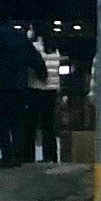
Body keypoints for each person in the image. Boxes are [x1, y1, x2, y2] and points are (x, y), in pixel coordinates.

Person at [0, 22, 45, 168]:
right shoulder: (20, 37)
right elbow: (33, 57)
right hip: (19, 86)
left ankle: (6, 156)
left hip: (0, 86)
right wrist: (42, 73)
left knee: (2, 123)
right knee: (17, 122)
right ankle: (17, 155)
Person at [26, 28, 63, 164]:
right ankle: (50, 156)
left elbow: (32, 66)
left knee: (31, 125)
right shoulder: (54, 49)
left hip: (35, 89)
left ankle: (28, 156)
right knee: (49, 126)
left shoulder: (34, 47)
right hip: (52, 90)